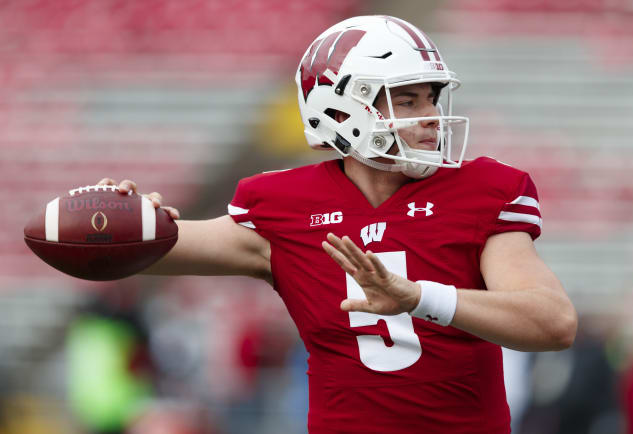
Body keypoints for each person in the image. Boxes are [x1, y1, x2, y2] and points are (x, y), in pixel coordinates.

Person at [98, 16, 577, 434]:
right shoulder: (282, 206)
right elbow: (124, 254)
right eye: (408, 102)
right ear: (341, 110)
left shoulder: (483, 190)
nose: (432, 118)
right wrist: (123, 219)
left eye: (431, 99)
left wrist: (418, 298)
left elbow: (553, 323)